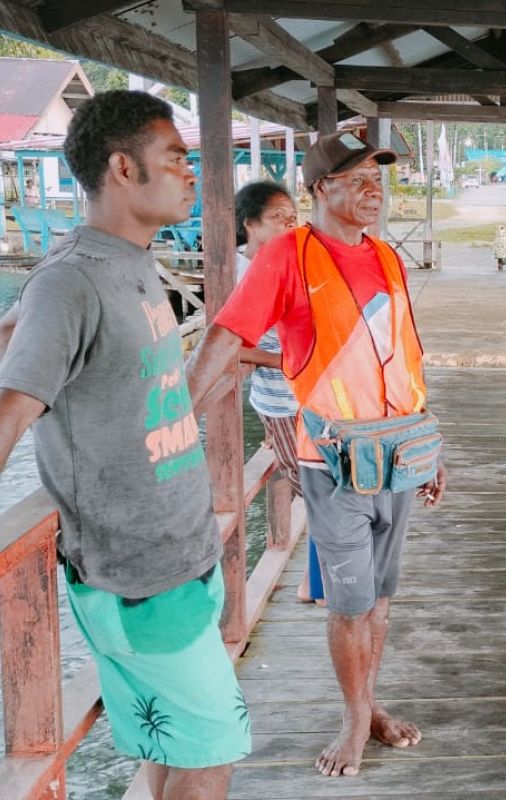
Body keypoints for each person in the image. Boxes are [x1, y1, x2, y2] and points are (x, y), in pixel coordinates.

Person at [0, 91, 249, 800]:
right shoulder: (72, 279)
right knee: (211, 753)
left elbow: (14, 340)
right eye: (174, 159)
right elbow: (12, 410)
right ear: (121, 168)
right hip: (139, 576)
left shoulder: (127, 261)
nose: (189, 173)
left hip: (180, 552)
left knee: (174, 745)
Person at [187, 131, 446, 778]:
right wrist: (169, 416)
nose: (373, 191)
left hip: (397, 453)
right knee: (349, 603)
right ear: (321, 188)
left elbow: (405, 356)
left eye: (378, 181)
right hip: (330, 460)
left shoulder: (388, 257)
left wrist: (429, 447)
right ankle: (355, 719)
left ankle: (370, 702)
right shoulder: (287, 257)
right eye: (357, 179)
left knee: (380, 600)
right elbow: (226, 336)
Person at [232, 181, 325, 605]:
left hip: (307, 398)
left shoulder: (284, 262)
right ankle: (316, 584)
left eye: (293, 218)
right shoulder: (239, 271)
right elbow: (232, 345)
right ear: (249, 223)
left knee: (324, 486)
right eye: (277, 219)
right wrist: (291, 362)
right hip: (282, 402)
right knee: (319, 490)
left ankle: (317, 581)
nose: (290, 226)